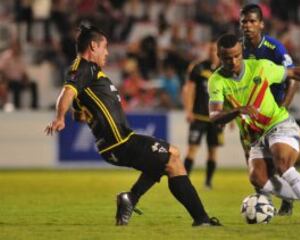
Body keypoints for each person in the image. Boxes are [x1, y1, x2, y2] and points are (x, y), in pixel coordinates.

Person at [44, 25, 221, 227]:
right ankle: (201, 219)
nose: (108, 52)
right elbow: (67, 92)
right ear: (93, 46)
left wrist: (87, 114)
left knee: (162, 163)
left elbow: (79, 114)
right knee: (173, 156)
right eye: (105, 47)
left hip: (115, 143)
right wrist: (59, 117)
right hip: (119, 141)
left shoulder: (91, 73)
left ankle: (130, 199)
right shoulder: (84, 67)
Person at [208, 33, 300, 226]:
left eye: (237, 56)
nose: (233, 61)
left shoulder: (260, 67)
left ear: (241, 52)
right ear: (218, 55)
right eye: (227, 58)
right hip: (256, 136)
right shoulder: (216, 81)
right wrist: (238, 110)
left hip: (278, 124)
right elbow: (215, 117)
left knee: (282, 163)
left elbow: (294, 73)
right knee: (257, 178)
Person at [240, 3, 298, 215]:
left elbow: (293, 79)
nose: (248, 25)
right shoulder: (238, 50)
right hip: (248, 116)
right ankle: (263, 201)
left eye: (252, 21)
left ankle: (287, 200)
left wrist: (283, 107)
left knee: (276, 161)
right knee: (252, 159)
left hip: (272, 115)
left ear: (261, 24)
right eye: (244, 21)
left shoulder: (274, 48)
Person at [182, 41, 223, 189]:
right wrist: (188, 110)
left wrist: (230, 118)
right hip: (198, 116)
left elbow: (230, 94)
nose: (213, 52)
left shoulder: (224, 70)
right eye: (210, 49)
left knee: (213, 151)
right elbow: (189, 89)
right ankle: (184, 182)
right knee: (192, 148)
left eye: (215, 50)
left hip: (216, 118)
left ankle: (208, 182)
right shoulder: (198, 68)